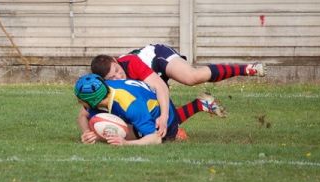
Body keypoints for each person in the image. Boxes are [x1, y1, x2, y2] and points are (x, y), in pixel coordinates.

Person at [90, 44, 266, 137]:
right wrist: (90, 132)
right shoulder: (107, 87)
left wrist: (164, 117)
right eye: (111, 79)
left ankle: (247, 68)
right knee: (152, 117)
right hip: (147, 83)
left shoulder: (130, 63)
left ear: (116, 60)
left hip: (157, 59)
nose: (118, 78)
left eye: (117, 71)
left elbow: (159, 86)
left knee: (192, 77)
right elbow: (84, 110)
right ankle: (201, 104)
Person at [74, 74, 225, 146]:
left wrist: (125, 144)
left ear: (93, 100)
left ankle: (177, 130)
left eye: (80, 99)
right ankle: (199, 104)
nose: (78, 102)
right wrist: (88, 133)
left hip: (165, 121)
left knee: (129, 133)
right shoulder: (103, 88)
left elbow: (155, 139)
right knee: (103, 125)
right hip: (145, 101)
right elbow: (82, 115)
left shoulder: (130, 106)